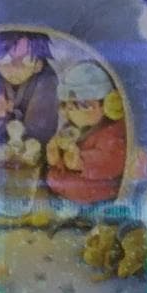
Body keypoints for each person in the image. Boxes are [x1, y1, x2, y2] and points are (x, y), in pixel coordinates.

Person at [46, 61, 127, 206]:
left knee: (79, 187)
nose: (74, 113)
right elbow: (63, 153)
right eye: (69, 107)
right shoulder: (73, 127)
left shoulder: (112, 132)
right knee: (53, 178)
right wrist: (56, 156)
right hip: (75, 176)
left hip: (99, 181)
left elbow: (111, 160)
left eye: (83, 106)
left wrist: (82, 161)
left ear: (108, 104)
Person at [0, 30, 58, 147]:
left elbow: (43, 128)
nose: (16, 68)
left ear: (38, 65)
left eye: (27, 60)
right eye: (5, 59)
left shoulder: (47, 78)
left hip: (32, 149)